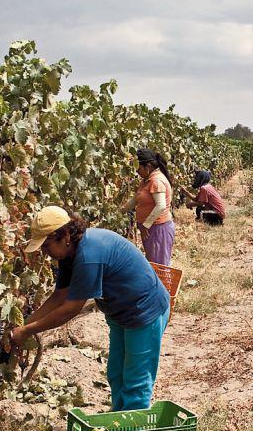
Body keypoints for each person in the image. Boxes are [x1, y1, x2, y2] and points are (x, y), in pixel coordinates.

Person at [9, 206, 171, 411]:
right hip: (120, 313)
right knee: (116, 374)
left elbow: (71, 308)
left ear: (65, 235)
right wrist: (24, 325)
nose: (44, 253)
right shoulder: (69, 254)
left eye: (46, 246)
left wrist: (27, 331)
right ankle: (118, 420)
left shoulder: (88, 255)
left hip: (144, 311)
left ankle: (133, 427)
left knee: (136, 382)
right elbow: (59, 296)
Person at [132, 148, 175, 265]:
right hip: (152, 229)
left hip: (157, 229)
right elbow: (136, 199)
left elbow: (161, 206)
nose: (137, 171)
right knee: (154, 262)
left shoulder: (156, 181)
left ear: (148, 166)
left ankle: (162, 279)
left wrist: (146, 225)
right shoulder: (146, 180)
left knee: (158, 265)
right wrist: (121, 211)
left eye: (138, 168)